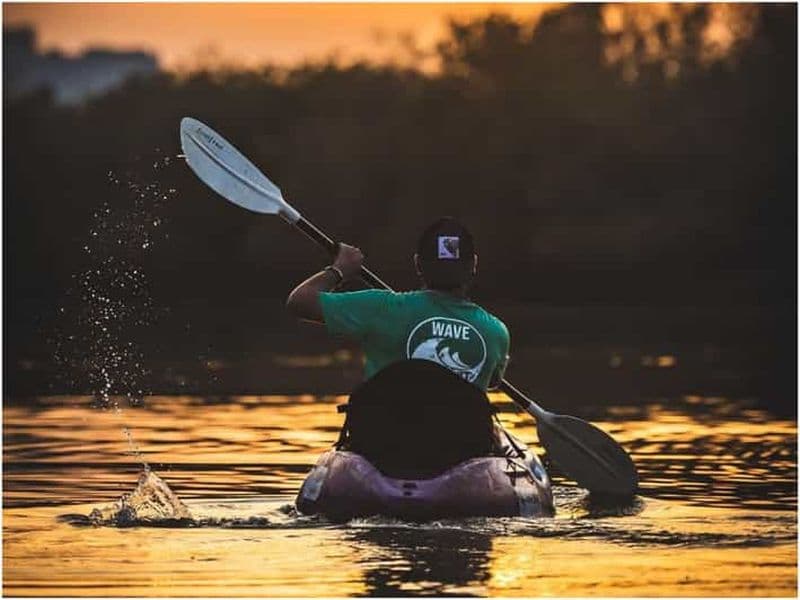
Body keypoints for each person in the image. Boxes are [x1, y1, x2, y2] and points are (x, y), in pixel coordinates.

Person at [286, 217, 510, 391]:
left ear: (417, 264)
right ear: (474, 265)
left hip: (386, 441)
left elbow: (300, 301)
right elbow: (491, 382)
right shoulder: (496, 332)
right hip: (464, 444)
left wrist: (340, 269)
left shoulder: (380, 307)